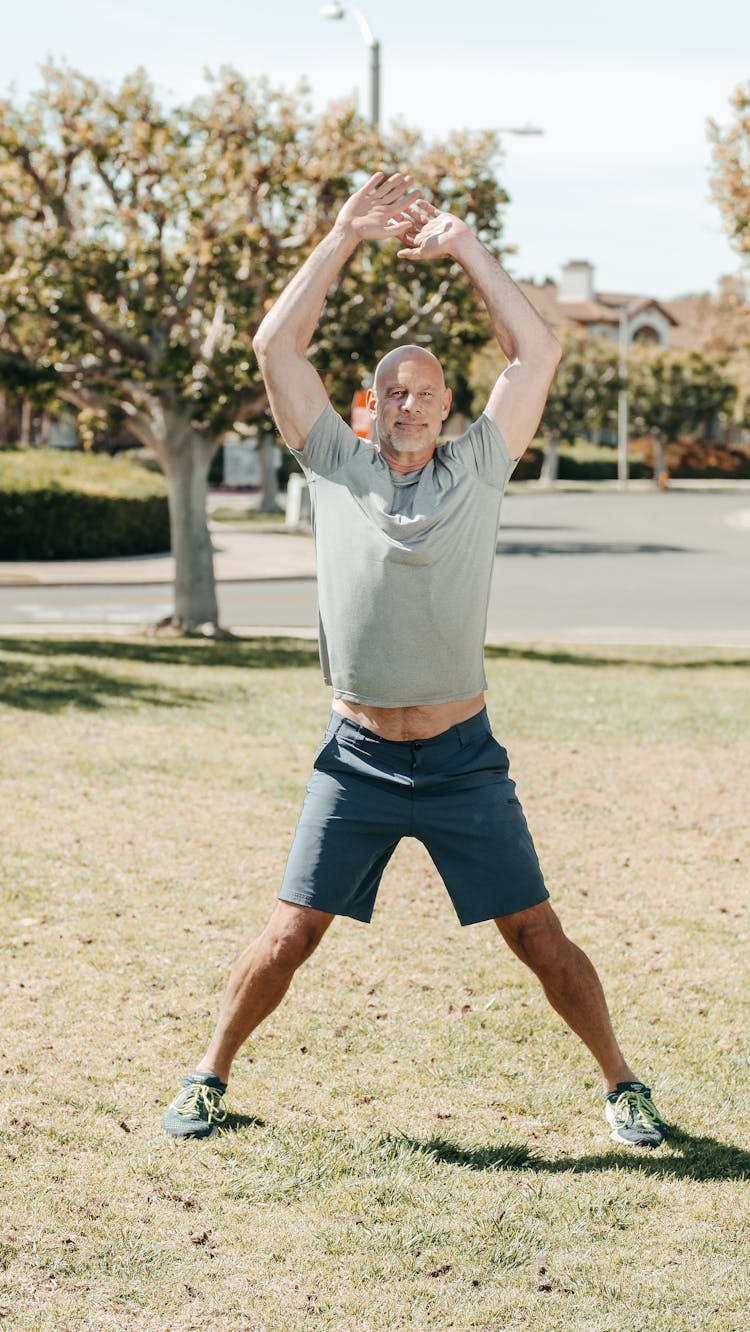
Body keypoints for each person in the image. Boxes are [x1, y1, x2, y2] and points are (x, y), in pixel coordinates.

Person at [163, 172, 668, 1149]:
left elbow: (540, 350)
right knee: (290, 933)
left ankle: (623, 1085)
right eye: (393, 391)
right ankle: (207, 1073)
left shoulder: (480, 466)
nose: (409, 404)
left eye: (426, 392)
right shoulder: (333, 463)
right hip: (354, 757)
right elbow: (276, 346)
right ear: (372, 403)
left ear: (446, 406)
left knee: (537, 937)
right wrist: (346, 235)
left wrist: (466, 245)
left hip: (460, 759)